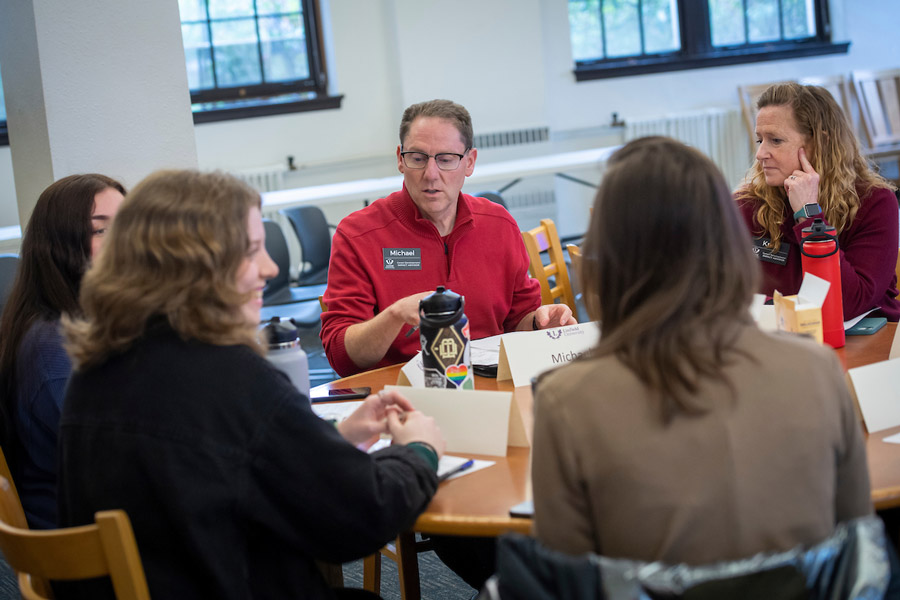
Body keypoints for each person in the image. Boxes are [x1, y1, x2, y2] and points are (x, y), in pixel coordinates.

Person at [57, 170, 445, 599]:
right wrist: (418, 452)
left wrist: (334, 437)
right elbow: (363, 516)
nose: (271, 268)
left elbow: (222, 465)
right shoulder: (232, 379)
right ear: (198, 264)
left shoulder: (93, 372)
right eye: (252, 251)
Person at [532, 137, 873, 565]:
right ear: (729, 238)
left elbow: (563, 573)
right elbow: (858, 543)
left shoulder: (567, 399)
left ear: (611, 254)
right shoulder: (817, 369)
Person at [321, 99, 576, 377]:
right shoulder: (358, 235)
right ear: (400, 159)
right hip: (401, 400)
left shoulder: (499, 224)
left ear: (469, 162)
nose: (431, 175)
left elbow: (518, 320)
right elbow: (341, 356)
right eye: (418, 158)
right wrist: (393, 316)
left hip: (491, 389)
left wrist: (540, 324)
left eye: (445, 159)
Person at [0, 174, 124, 529]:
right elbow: (124, 462)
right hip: (92, 551)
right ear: (59, 245)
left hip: (117, 523)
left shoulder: (94, 322)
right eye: (100, 230)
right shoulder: (54, 349)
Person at [736, 82, 899, 321]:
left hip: (866, 341)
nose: (760, 154)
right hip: (781, 340)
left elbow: (849, 303)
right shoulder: (746, 204)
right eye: (761, 140)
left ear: (820, 143)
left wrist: (809, 216)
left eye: (776, 140)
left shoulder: (875, 203)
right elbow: (728, 295)